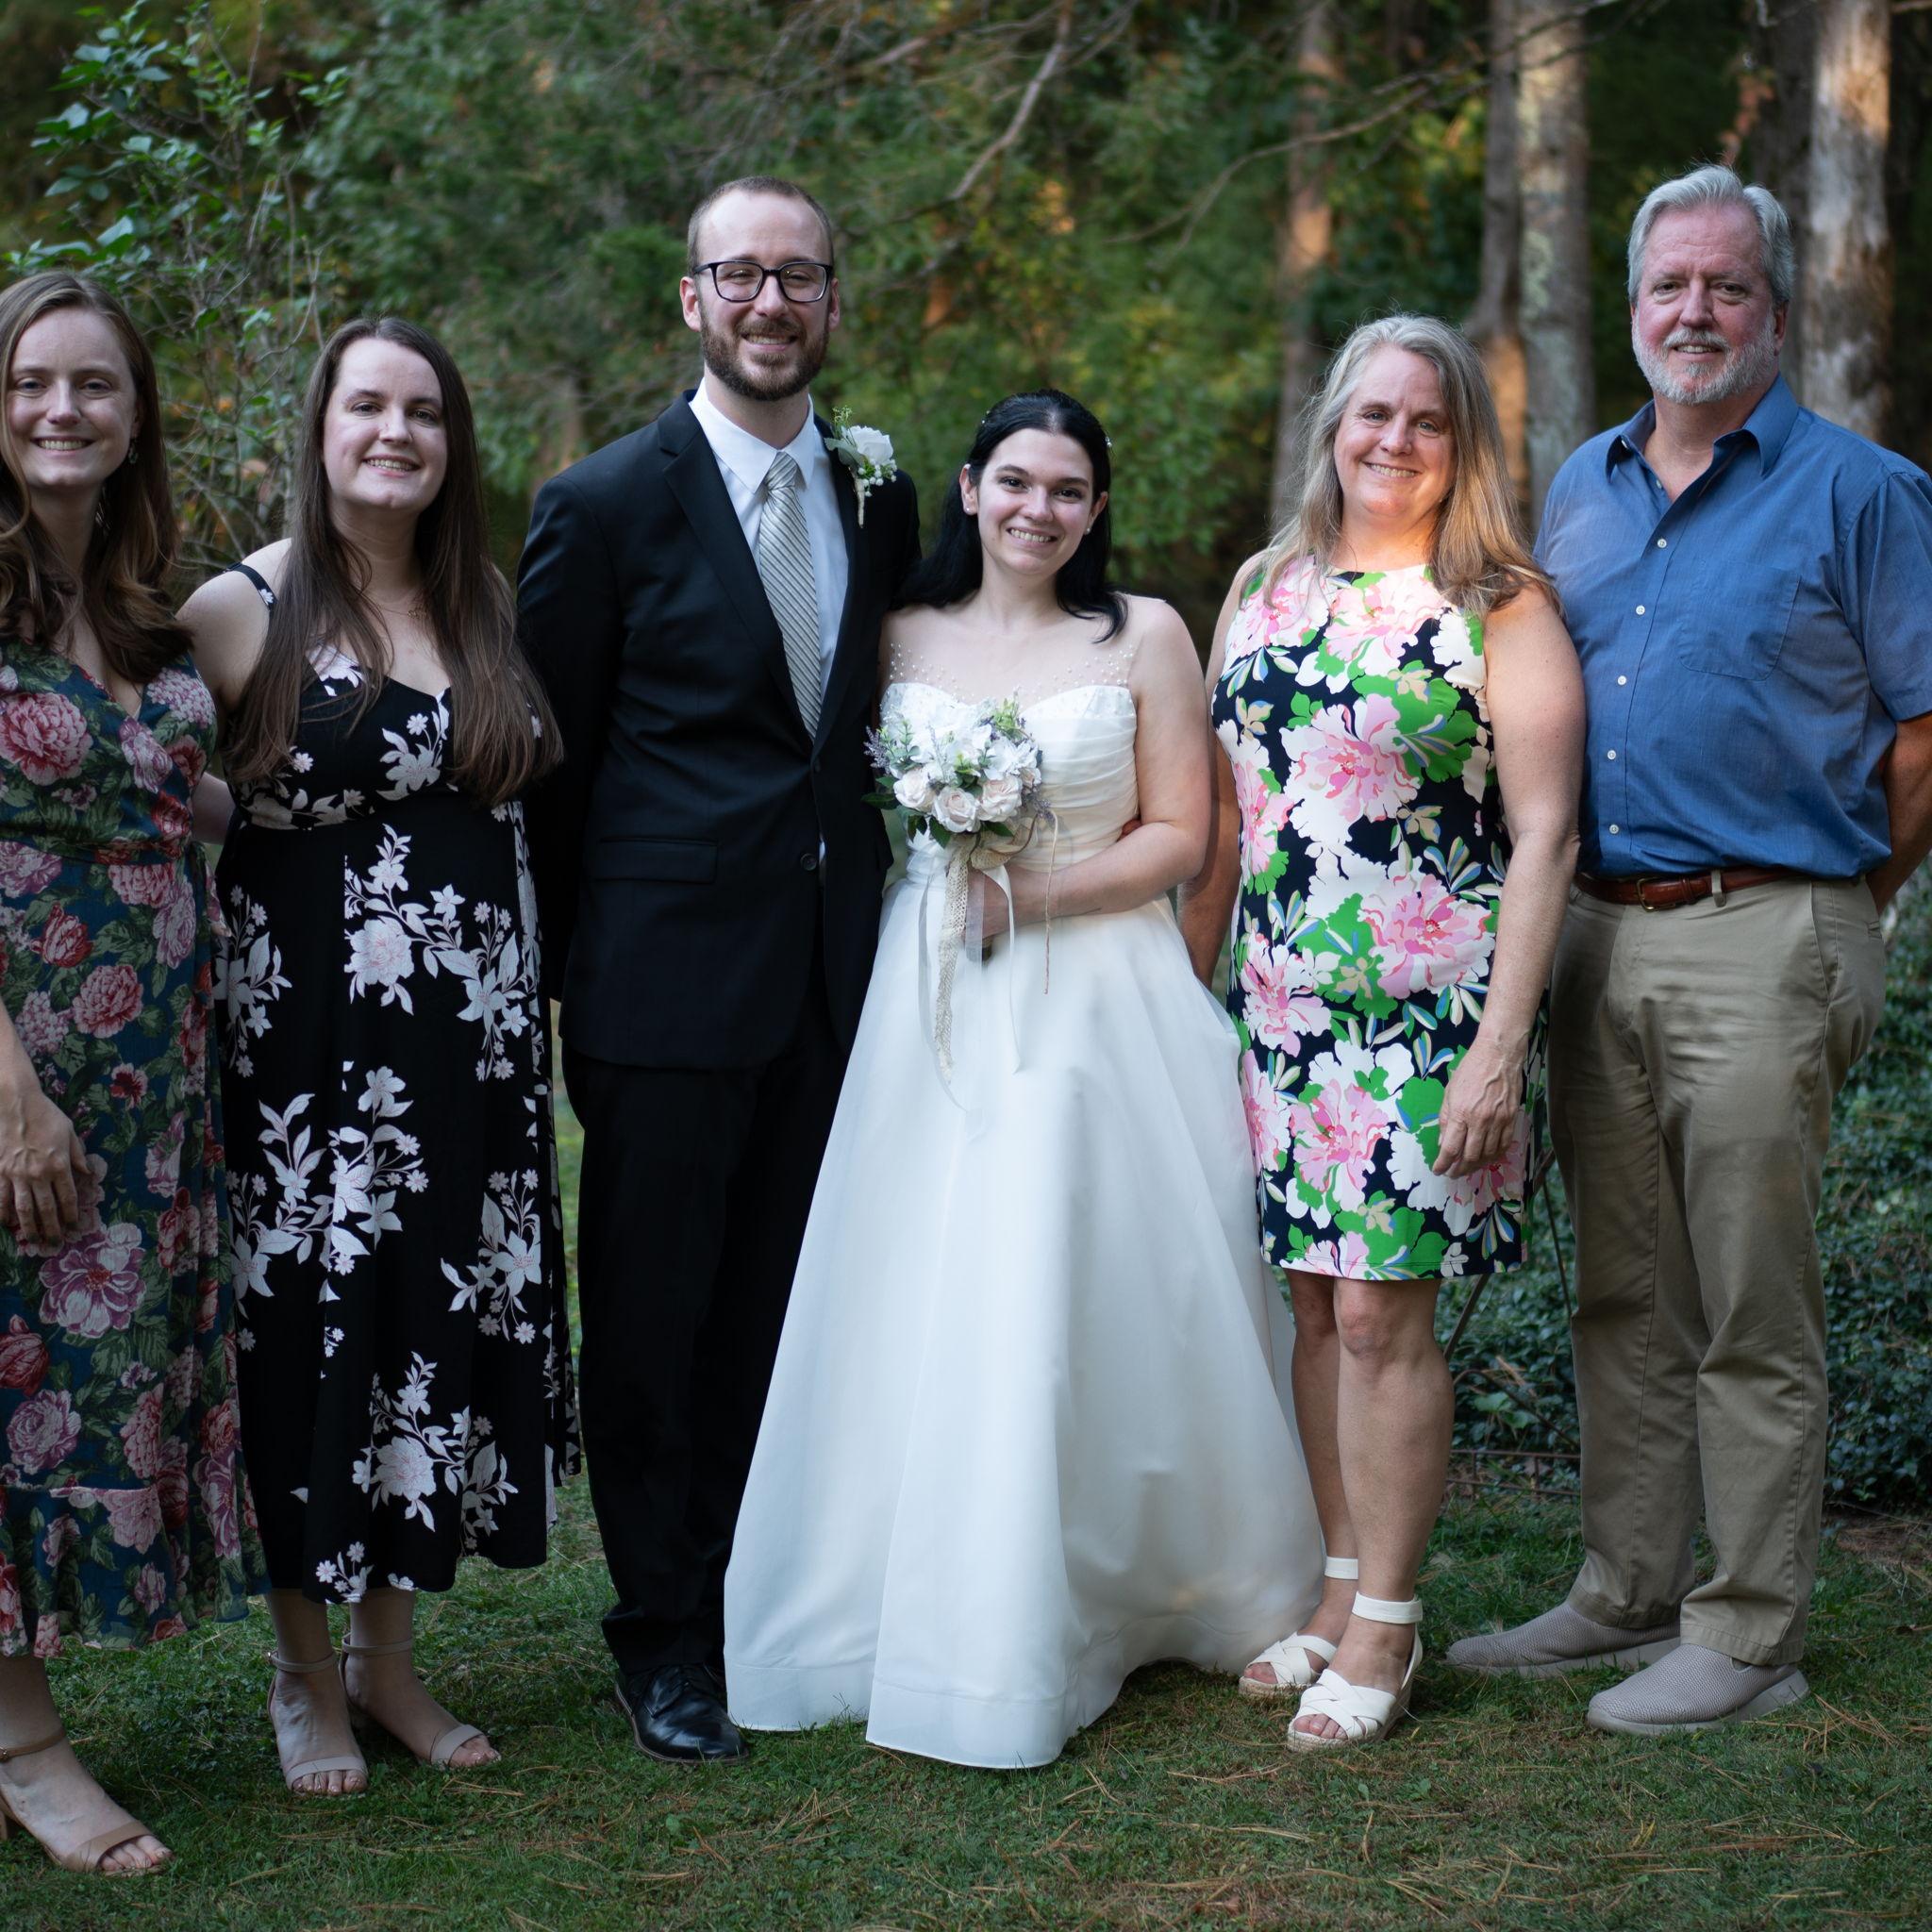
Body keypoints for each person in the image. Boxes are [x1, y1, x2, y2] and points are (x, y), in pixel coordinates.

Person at [723, 390, 1324, 1770]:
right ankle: (907, 1584)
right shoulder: (896, 635)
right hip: (928, 991)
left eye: (1067, 490)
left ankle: (1145, 1579)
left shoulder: (1145, 635)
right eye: (1015, 482)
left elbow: (1184, 834)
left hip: (1097, 995)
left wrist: (1032, 896)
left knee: (1091, 1272)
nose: (1038, 510)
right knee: (921, 1272)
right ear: (969, 487)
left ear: (1096, 510)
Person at [1444, 165, 1932, 1734]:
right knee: (1624, 1294)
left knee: (1747, 1306)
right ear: (1636, 305)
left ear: (1776, 312)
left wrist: (1851, 902)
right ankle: (1624, 1588)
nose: (1695, 313)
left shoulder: (1862, 493)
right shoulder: (1577, 490)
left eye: (1727, 287)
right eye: (1670, 287)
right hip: (1592, 933)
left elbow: (1924, 733)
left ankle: (1751, 1633)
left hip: (1766, 926)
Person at [516, 177, 919, 1765]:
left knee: (786, 1305)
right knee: (661, 1315)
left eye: (800, 276)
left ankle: (772, 1600)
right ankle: (662, 1636)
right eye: (740, 276)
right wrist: (559, 991)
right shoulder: (603, 505)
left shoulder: (882, 492)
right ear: (692, 299)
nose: (771, 303)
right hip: (662, 985)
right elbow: (556, 765)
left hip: (837, 979)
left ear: (833, 298)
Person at [181, 317, 576, 1795]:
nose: (397, 431)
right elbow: (167, 790)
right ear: (321, 426)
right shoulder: (239, 611)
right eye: (368, 405)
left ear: (452, 441)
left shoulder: (476, 598)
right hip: (309, 1069)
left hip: (466, 1065)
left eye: (424, 409)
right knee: (307, 1345)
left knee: (427, 1334)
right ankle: (301, 1678)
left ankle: (389, 1666)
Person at [1181, 315, 1585, 1750]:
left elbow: (1544, 836)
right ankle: (1340, 1586)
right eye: (1372, 414)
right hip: (1281, 1015)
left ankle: (1394, 1631)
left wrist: (1500, 1050)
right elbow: (1232, 819)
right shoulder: (1263, 587)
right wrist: (1192, 989)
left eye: (1426, 420)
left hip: (1430, 1019)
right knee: (1308, 1300)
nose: (1394, 441)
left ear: (1462, 441)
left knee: (1377, 1312)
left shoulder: (1499, 603)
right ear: (1332, 425)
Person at [0, 271, 261, 1872]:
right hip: (23, 1063)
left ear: (136, 412)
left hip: (155, 1070)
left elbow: (176, 793)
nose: (62, 412)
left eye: (95, 386)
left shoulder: (142, 601)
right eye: (32, 382)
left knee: (74, 1385)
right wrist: (10, 1090)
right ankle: (26, 1752)